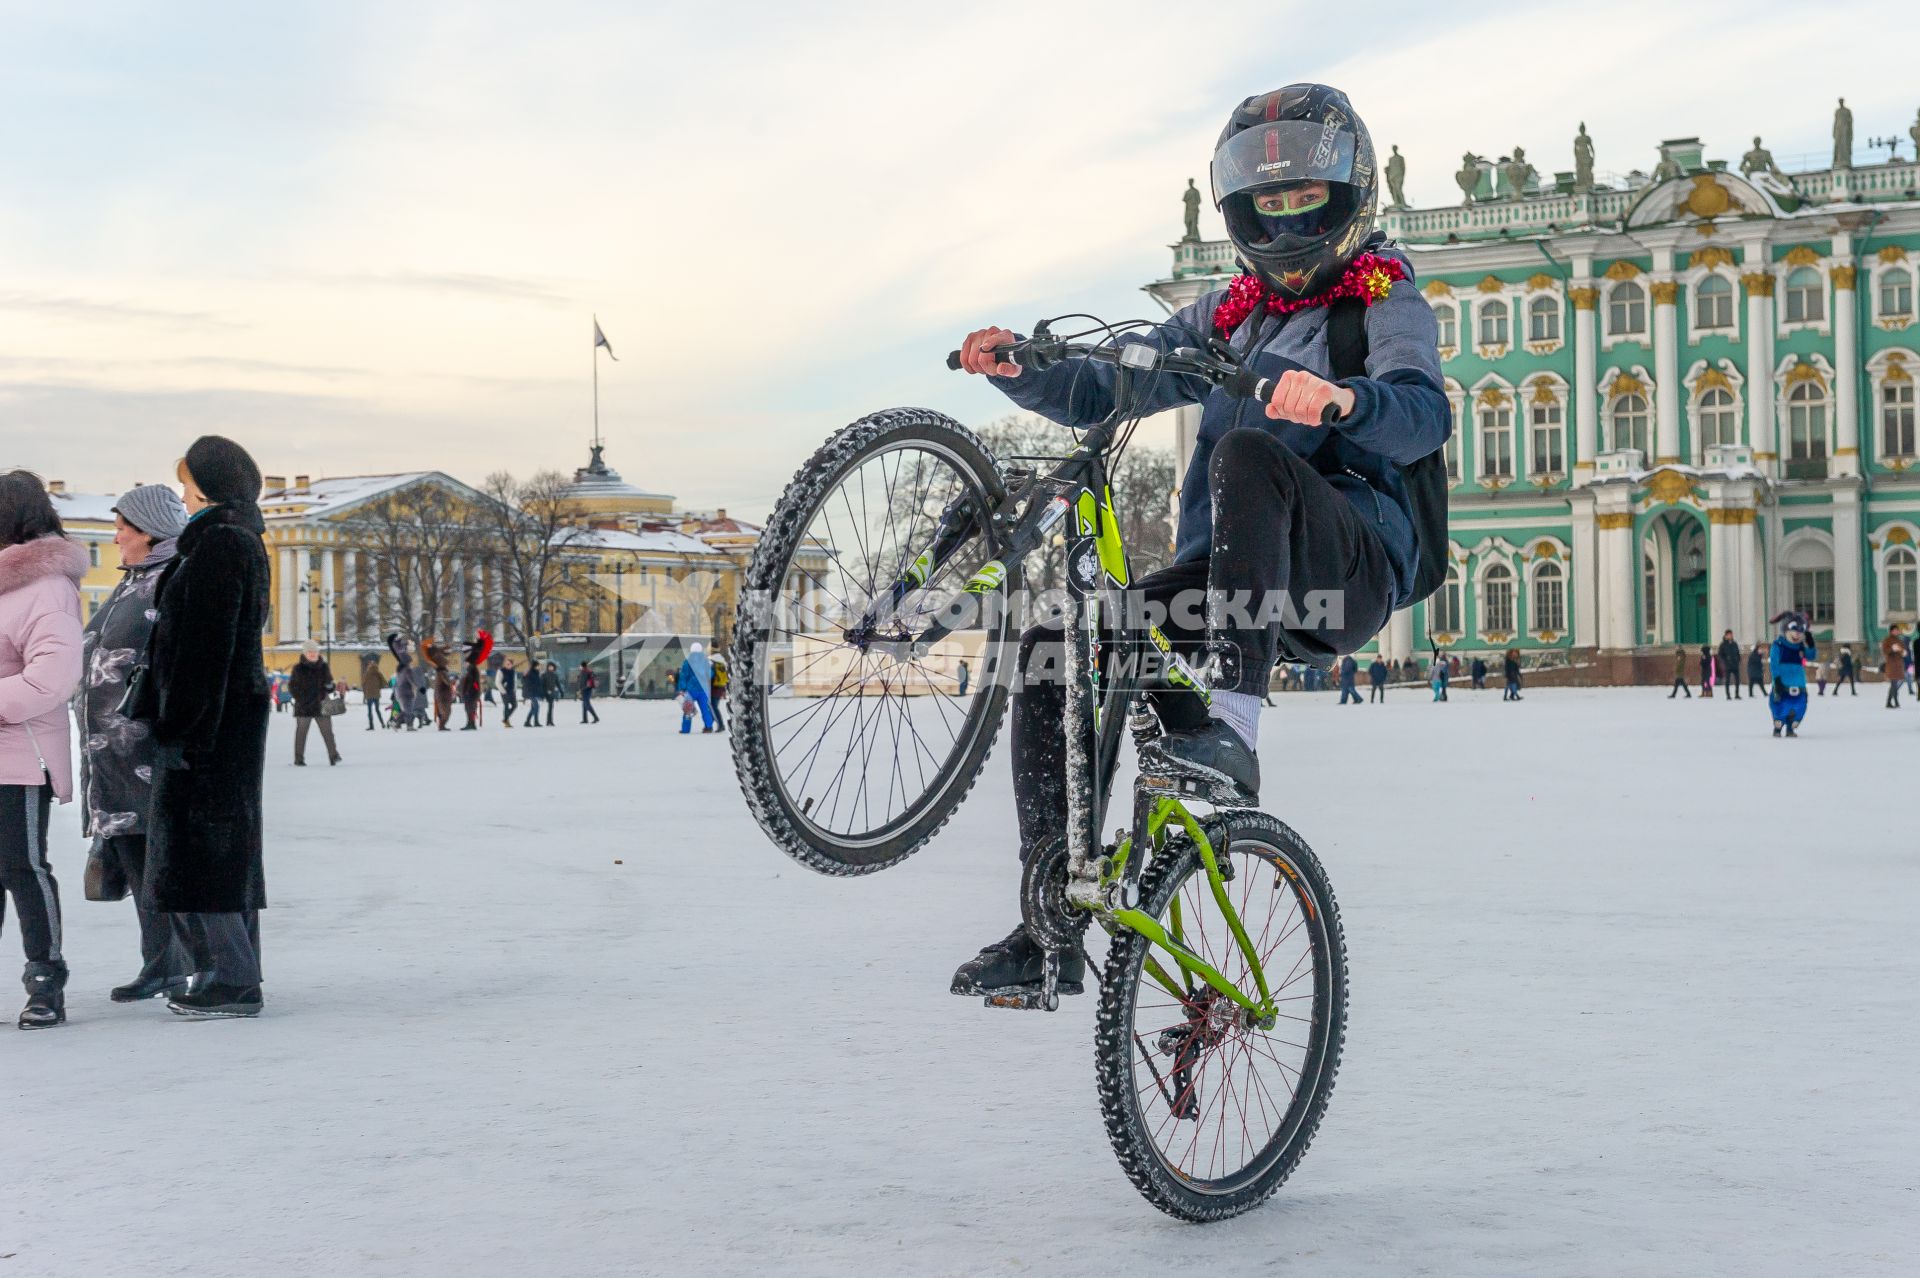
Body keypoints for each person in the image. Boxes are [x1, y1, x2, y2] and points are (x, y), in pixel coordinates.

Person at [949, 84, 1450, 998]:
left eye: (1304, 196)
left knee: (1253, 452)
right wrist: (1024, 367)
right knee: (1063, 642)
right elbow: (1117, 380)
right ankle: (1049, 918)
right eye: (1268, 200)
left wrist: (1343, 400)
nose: (1285, 213)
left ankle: (1233, 725)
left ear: (1350, 196)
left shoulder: (1384, 299)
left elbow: (1422, 414)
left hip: (1345, 570)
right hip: (1231, 585)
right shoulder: (1230, 311)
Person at [134, 437, 273, 1018]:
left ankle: (235, 980)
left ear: (207, 486)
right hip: (227, 719)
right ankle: (231, 971)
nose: (182, 492)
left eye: (187, 481)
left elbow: (205, 650)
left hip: (208, 726)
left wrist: (179, 726)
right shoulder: (234, 540)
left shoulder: (219, 544)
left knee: (205, 851)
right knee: (222, 849)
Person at [77, 484, 198, 1006]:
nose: (116, 535)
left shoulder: (171, 580)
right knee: (135, 859)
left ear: (148, 529)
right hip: (110, 753)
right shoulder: (132, 582)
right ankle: (162, 963)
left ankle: (189, 962)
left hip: (143, 750)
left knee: (158, 862)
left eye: (123, 526)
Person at [0, 472, 87, 1028]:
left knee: (23, 868)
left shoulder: (48, 587)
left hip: (20, 754)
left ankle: (45, 981)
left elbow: (52, 679)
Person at [289, 643, 341, 766]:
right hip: (304, 706)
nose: (312, 654)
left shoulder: (324, 667)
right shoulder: (298, 668)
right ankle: (299, 758)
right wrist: (300, 698)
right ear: (305, 654)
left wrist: (330, 686)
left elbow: (330, 683)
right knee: (301, 733)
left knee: (328, 732)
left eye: (315, 652)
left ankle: (333, 756)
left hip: (321, 704)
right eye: (310, 652)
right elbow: (292, 686)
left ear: (318, 653)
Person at [1767, 611, 1817, 737]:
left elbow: (1811, 656)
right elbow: (1774, 663)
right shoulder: (1778, 645)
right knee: (1780, 703)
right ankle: (1778, 724)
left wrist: (1811, 644)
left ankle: (1791, 727)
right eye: (1794, 629)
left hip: (1798, 682)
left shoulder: (1800, 647)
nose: (1797, 633)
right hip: (1782, 681)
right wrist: (1776, 679)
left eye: (1801, 630)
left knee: (1799, 704)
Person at [677, 642, 716, 733]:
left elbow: (683, 676)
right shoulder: (705, 661)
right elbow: (710, 674)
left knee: (688, 708)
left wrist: (682, 688)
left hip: (691, 690)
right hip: (703, 690)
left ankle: (685, 729)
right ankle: (708, 727)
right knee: (705, 709)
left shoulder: (688, 661)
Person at [1883, 625, 1907, 709]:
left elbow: (1903, 651)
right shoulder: (1887, 640)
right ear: (1891, 631)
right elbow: (1885, 651)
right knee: (1894, 684)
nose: (1897, 632)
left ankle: (1889, 702)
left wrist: (1902, 652)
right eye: (1895, 630)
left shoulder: (1899, 640)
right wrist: (1892, 649)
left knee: (1894, 684)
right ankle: (1895, 702)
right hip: (1891, 665)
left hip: (1898, 665)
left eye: (1897, 630)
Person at [360, 653, 385, 730]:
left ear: (369, 666)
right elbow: (384, 682)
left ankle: (371, 726)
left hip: (369, 695)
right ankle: (382, 723)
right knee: (377, 710)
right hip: (376, 694)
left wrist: (364, 694)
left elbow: (363, 684)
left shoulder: (367, 673)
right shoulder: (378, 672)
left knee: (370, 711)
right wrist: (378, 687)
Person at [1716, 630, 1742, 701]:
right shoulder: (1723, 644)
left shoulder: (1734, 643)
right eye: (1729, 635)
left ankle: (1737, 694)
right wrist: (1725, 661)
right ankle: (1728, 695)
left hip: (1735, 665)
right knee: (1727, 680)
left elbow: (1738, 653)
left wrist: (1738, 659)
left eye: (1731, 634)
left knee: (1737, 680)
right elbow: (1720, 655)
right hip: (1728, 665)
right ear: (1726, 636)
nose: (1731, 636)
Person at [521, 655, 543, 728]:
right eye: (538, 665)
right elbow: (526, 683)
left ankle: (533, 722)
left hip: (534, 693)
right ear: (535, 666)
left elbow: (538, 684)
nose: (540, 666)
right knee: (536, 707)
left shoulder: (536, 673)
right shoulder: (531, 673)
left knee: (535, 707)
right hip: (531, 693)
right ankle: (528, 721)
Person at [709, 654, 729, 732]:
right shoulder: (722, 666)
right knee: (714, 708)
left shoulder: (714, 667)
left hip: (714, 689)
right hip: (720, 689)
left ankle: (720, 725)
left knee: (714, 708)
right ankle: (715, 724)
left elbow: (710, 677)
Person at [499, 658, 519, 728]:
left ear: (511, 665)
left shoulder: (513, 671)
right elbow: (497, 682)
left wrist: (514, 690)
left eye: (509, 664)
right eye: (506, 663)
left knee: (515, 705)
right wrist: (503, 691)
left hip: (511, 691)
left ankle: (505, 719)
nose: (507, 665)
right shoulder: (501, 671)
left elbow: (515, 681)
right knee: (506, 706)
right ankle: (507, 722)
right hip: (504, 692)